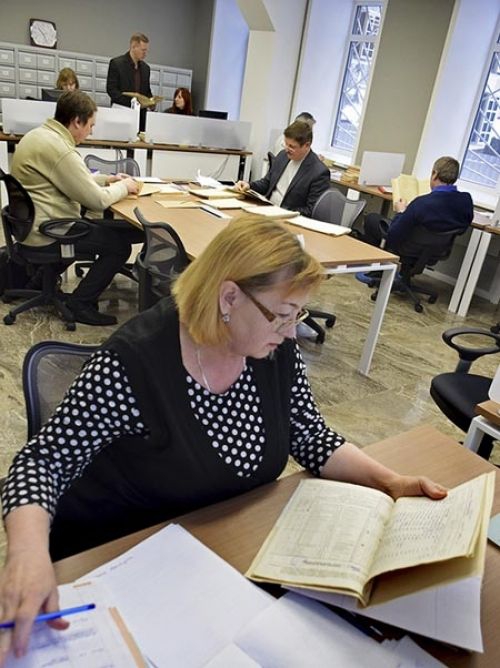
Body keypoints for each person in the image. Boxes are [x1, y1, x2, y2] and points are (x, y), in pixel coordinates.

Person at [0, 215, 447, 660]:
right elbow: (42, 461)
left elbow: (308, 432)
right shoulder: (132, 365)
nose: (291, 331)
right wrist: (25, 553)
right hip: (120, 556)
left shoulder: (273, 350)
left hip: (215, 549)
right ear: (229, 297)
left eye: (298, 315)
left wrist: (389, 482)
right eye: (282, 315)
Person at [10, 90, 143, 326]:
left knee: (115, 231)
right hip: (50, 230)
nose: (91, 132)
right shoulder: (59, 149)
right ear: (76, 121)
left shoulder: (40, 136)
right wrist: (125, 186)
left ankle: (39, 282)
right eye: (90, 125)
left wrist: (107, 179)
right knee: (118, 247)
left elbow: (70, 177)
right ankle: (80, 303)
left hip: (33, 225)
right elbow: (97, 201)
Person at [360, 156, 473, 253]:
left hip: (408, 247)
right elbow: (462, 229)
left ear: (434, 174)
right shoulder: (466, 200)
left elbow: (393, 234)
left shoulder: (421, 203)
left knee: (372, 219)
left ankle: (375, 265)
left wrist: (401, 211)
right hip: (437, 250)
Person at [235, 121, 330, 218]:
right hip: (266, 209)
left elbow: (311, 210)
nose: (286, 149)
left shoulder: (319, 172)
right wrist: (249, 185)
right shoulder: (282, 156)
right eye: (286, 144)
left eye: (292, 146)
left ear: (307, 145)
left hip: (287, 218)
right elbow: (267, 183)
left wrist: (282, 211)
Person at [106, 32, 153, 131]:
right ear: (133, 46)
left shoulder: (146, 68)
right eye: (143, 50)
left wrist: (151, 101)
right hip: (121, 113)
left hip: (140, 117)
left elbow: (147, 91)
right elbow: (111, 90)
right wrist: (132, 103)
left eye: (146, 50)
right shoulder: (116, 63)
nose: (145, 53)